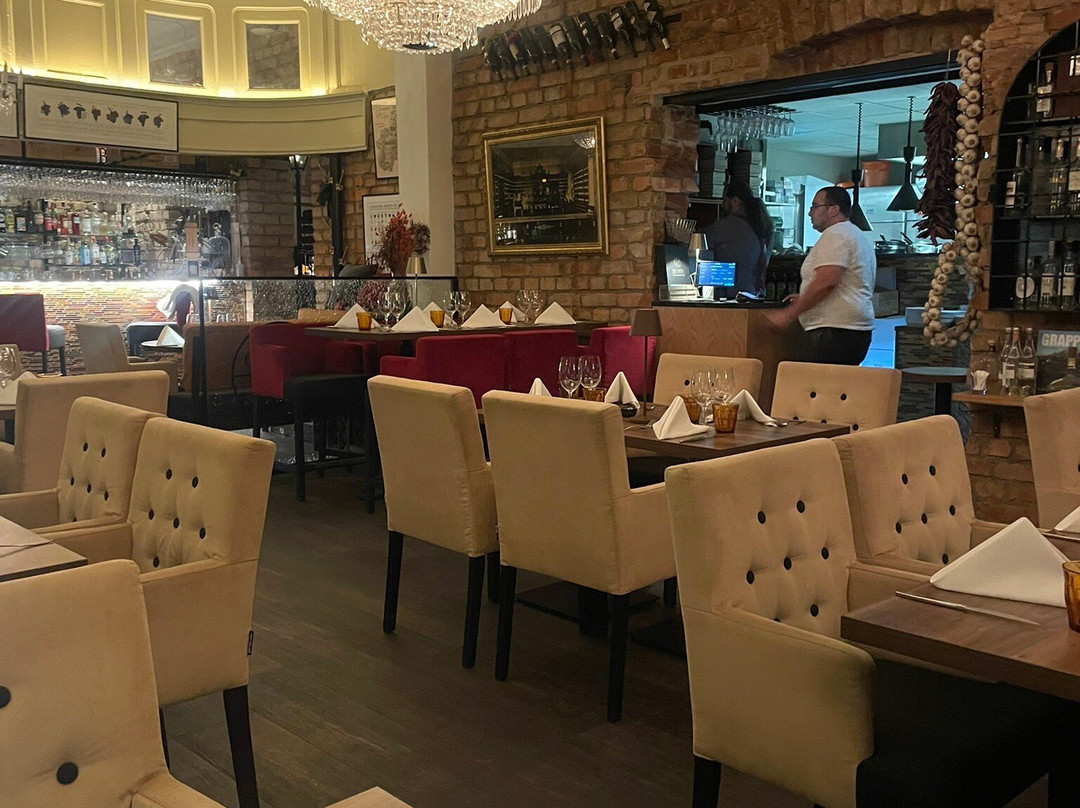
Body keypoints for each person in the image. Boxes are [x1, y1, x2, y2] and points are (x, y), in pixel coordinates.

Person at [764, 186, 875, 365]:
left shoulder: (836, 234)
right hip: (851, 329)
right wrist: (805, 295)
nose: (810, 213)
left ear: (834, 210)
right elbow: (845, 284)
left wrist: (787, 314)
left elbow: (827, 282)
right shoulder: (854, 234)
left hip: (834, 331)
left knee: (818, 382)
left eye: (815, 206)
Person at [700, 179, 774, 295]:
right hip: (757, 293)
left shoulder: (731, 225)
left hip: (734, 294)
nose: (723, 205)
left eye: (725, 200)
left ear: (735, 201)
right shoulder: (765, 226)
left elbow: (698, 238)